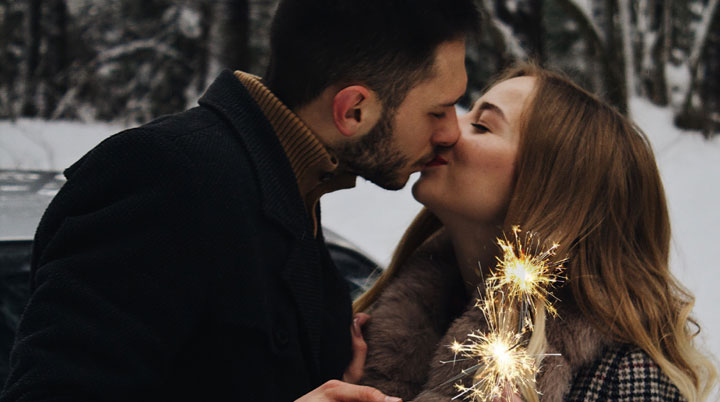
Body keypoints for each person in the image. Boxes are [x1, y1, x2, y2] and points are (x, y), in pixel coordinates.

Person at [0, 1, 481, 401]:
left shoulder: (288, 187)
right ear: (353, 110)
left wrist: (334, 381)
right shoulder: (165, 175)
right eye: (438, 110)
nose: (451, 133)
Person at [353, 64, 719, 401]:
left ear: (554, 191)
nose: (448, 130)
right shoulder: (379, 337)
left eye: (482, 125)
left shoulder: (626, 377)